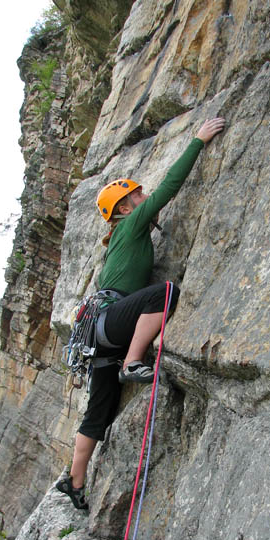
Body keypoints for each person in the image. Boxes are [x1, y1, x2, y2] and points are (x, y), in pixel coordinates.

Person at [56, 117, 226, 511]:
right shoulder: (131, 225)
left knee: (98, 410)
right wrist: (197, 143)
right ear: (125, 206)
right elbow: (167, 189)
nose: (142, 196)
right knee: (164, 294)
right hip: (110, 321)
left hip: (97, 332)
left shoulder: (121, 237)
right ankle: (133, 361)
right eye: (136, 195)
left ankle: (75, 481)